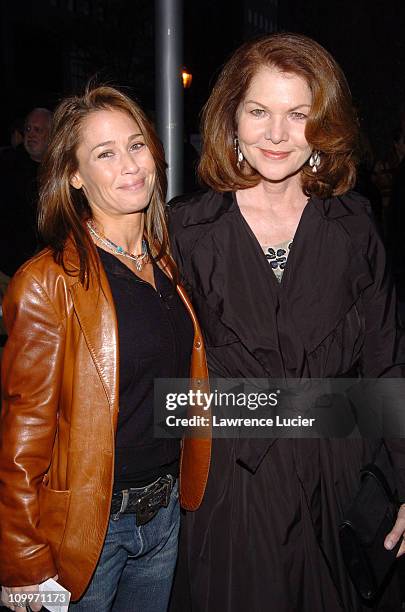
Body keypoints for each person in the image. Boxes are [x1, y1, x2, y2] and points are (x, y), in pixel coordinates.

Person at [168, 33, 405, 611]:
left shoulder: (353, 223)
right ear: (231, 118)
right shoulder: (185, 230)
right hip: (235, 487)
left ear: (323, 124)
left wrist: (401, 479)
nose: (276, 134)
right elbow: (168, 393)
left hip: (345, 480)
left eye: (297, 114)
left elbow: (387, 361)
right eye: (258, 111)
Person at [0, 85, 210, 612]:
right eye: (105, 153)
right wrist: (23, 560)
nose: (130, 165)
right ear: (74, 175)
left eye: (136, 145)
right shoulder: (47, 282)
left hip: (161, 520)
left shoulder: (166, 266)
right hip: (87, 533)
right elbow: (23, 433)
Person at [0, 108, 53, 277]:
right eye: (28, 129)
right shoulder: (7, 165)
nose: (30, 134)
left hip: (46, 272)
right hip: (8, 268)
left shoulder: (63, 172)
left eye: (38, 130)